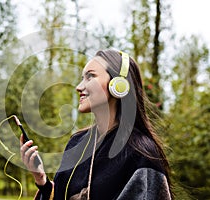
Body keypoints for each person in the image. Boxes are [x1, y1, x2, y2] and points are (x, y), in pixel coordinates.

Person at [20, 49, 173, 200]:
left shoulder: (141, 153)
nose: (79, 87)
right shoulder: (76, 143)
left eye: (90, 76)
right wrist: (42, 180)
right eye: (82, 78)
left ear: (118, 85)